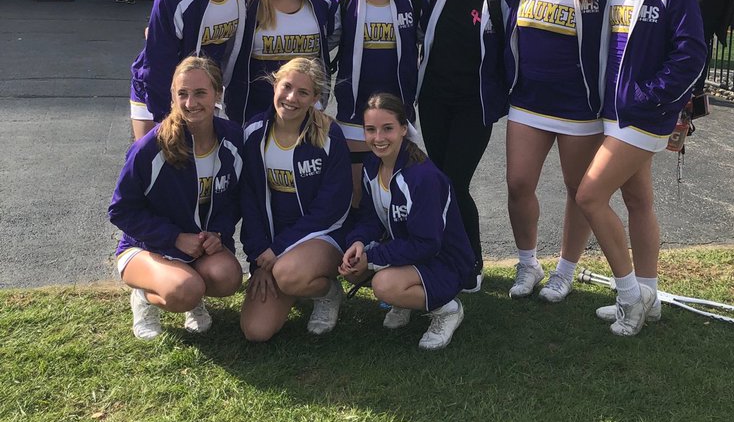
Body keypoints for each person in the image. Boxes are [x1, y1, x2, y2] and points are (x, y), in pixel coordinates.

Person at [576, 0, 706, 336]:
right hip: (615, 111)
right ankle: (649, 296)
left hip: (643, 114)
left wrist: (655, 100)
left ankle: (629, 295)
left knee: (589, 197)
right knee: (638, 202)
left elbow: (691, 52)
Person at [503, 0, 608, 303]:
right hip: (528, 102)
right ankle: (527, 262)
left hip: (579, 108)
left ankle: (565, 268)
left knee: (578, 190)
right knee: (518, 184)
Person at [109, 56, 243, 341]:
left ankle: (189, 291)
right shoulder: (151, 148)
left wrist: (218, 232)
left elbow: (236, 198)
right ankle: (145, 296)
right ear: (173, 96)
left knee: (229, 277)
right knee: (185, 290)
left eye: (200, 93)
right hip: (146, 247)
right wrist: (173, 237)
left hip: (198, 248)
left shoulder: (233, 140)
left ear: (217, 94)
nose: (191, 102)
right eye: (182, 93)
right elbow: (120, 210)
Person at [339, 93, 474, 350]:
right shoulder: (371, 165)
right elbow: (370, 217)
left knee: (384, 285)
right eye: (371, 130)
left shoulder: (423, 178)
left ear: (403, 128)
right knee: (354, 268)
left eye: (387, 128)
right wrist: (358, 242)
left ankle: (447, 309)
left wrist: (374, 256)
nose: (378, 138)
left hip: (445, 261)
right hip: (411, 251)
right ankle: (405, 300)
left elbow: (427, 244)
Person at [417, 0, 507, 290]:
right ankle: (444, 252)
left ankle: (472, 259)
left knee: (455, 181)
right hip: (434, 101)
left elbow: (510, 50)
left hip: (474, 105)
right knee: (439, 181)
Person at [240, 57, 352, 342]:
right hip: (274, 250)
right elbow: (250, 200)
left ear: (315, 98)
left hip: (322, 235)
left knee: (289, 274)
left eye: (303, 92)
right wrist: (259, 259)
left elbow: (331, 208)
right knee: (256, 331)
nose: (291, 98)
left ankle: (327, 293)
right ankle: (291, 279)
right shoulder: (254, 133)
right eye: (286, 87)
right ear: (275, 84)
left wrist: (277, 250)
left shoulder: (329, 135)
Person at [129, 0, 248, 141]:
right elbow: (158, 63)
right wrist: (166, 115)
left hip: (202, 92)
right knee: (153, 157)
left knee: (197, 163)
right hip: (156, 91)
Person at [328, 0, 422, 198]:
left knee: (394, 189)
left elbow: (433, 42)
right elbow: (322, 42)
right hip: (354, 109)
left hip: (397, 108)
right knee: (356, 192)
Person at [233, 0, 332, 122]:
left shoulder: (321, 3)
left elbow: (333, 38)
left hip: (307, 113)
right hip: (257, 114)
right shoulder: (247, 3)